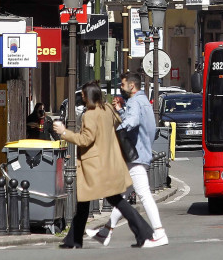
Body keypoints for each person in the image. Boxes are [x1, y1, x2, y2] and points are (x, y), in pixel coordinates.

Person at [52, 80, 156, 249]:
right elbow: (117, 121)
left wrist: (64, 132)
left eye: (84, 96)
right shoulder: (107, 109)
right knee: (86, 204)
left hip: (95, 167)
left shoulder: (91, 115)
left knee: (114, 202)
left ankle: (144, 233)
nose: (83, 99)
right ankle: (74, 239)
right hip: (108, 162)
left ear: (88, 97)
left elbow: (86, 139)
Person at [87, 72, 168, 247]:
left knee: (144, 195)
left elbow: (132, 121)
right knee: (122, 196)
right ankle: (105, 232)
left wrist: (114, 132)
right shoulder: (144, 101)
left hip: (135, 155)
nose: (121, 88)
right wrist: (121, 111)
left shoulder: (134, 101)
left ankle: (159, 233)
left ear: (132, 86)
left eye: (123, 85)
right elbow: (142, 124)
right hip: (141, 153)